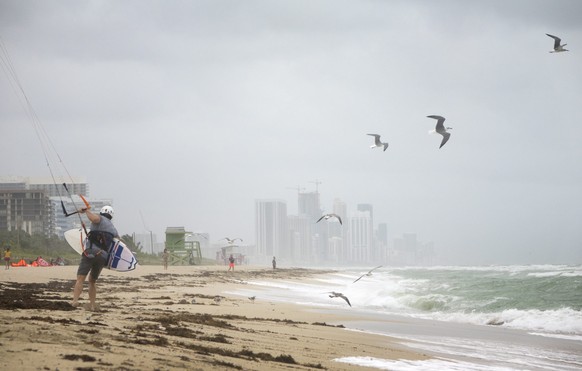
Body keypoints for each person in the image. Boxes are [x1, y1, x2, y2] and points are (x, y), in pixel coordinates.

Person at [72, 205, 119, 311]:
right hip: (102, 257)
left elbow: (95, 219)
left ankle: (75, 301)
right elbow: (118, 242)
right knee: (92, 281)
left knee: (80, 279)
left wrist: (86, 211)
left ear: (102, 212)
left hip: (90, 253)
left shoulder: (100, 218)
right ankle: (92, 305)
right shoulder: (113, 228)